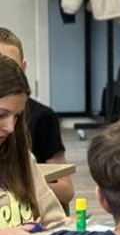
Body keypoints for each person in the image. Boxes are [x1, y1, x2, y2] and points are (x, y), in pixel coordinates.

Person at [0, 27, 73, 210]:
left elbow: (66, 190)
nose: (10, 127)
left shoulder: (23, 151)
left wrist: (27, 186)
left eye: (17, 116)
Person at [0, 56, 66, 235]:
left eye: (17, 116)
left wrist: (61, 231)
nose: (10, 127)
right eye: (1, 115)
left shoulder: (22, 158)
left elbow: (54, 219)